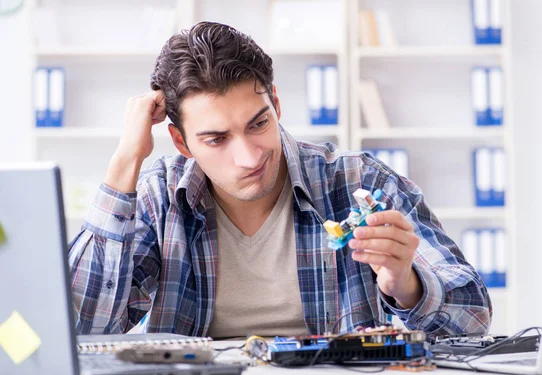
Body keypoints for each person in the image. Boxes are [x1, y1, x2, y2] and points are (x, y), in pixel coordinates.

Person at [68, 21, 491, 338]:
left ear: (277, 105)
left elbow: (474, 319)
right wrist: (125, 162)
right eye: (216, 139)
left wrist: (408, 287)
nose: (249, 156)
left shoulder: (357, 179)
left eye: (258, 124)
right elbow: (82, 330)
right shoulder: (160, 197)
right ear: (180, 141)